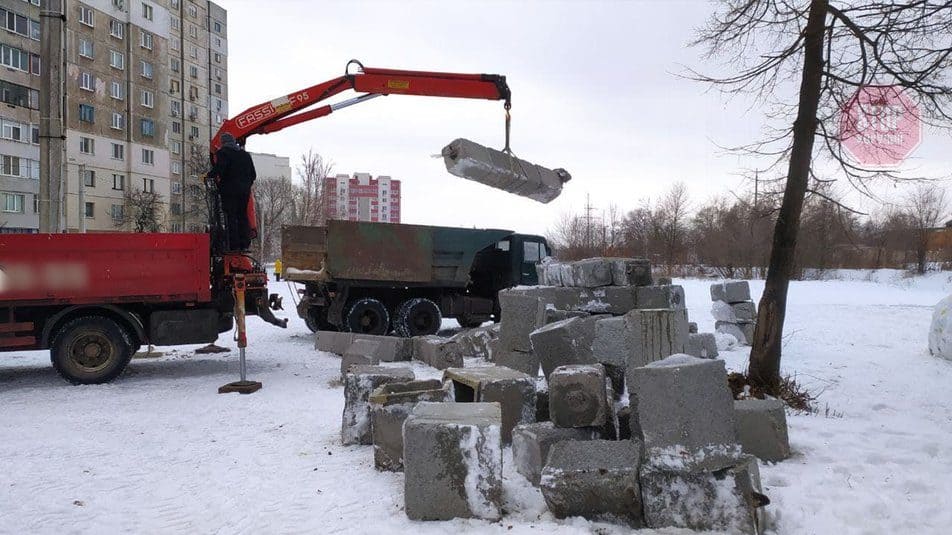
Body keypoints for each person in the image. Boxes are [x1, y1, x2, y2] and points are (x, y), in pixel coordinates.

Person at [207, 132, 256, 251]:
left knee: (231, 217)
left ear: (223, 143)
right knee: (242, 216)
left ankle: (234, 245)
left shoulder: (223, 153)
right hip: (244, 192)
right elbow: (253, 175)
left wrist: (209, 175)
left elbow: (220, 169)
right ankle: (244, 243)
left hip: (229, 191)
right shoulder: (245, 155)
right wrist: (246, 185)